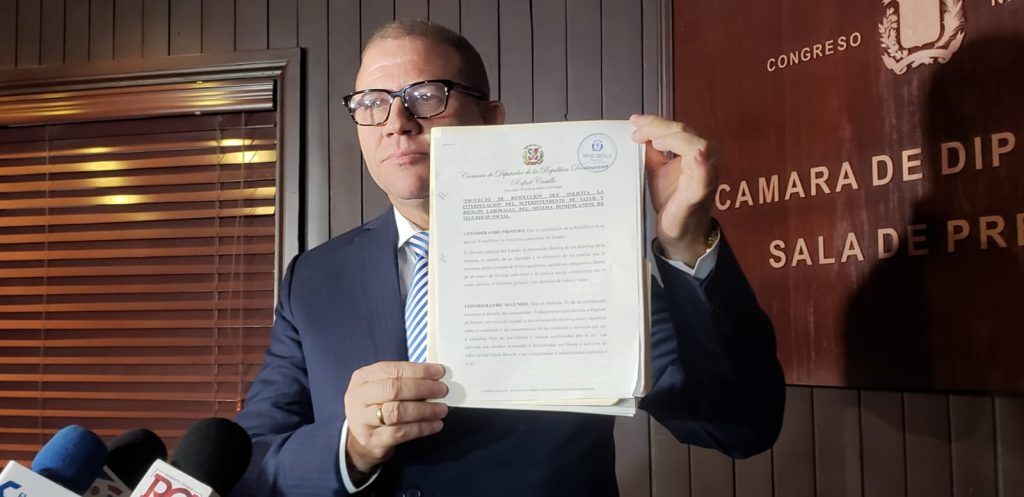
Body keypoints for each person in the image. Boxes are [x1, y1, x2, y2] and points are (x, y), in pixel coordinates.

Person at [232, 19, 784, 497]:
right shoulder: (314, 278)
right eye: (372, 103)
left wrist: (685, 240)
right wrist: (351, 448)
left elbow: (740, 426)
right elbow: (251, 460)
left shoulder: (582, 254)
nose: (397, 121)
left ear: (492, 118)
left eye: (426, 95)